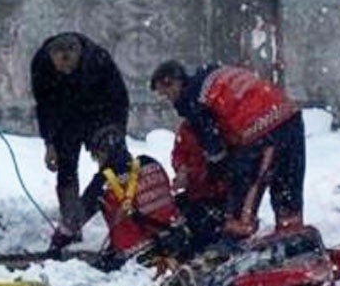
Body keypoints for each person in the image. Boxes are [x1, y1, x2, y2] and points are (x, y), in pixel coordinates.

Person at [149, 60, 306, 240]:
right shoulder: (212, 78)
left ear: (173, 82)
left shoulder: (193, 99)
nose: (170, 100)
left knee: (246, 186)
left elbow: (215, 149)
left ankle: (234, 242)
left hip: (263, 128)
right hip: (288, 113)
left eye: (167, 94)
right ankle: (291, 232)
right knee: (286, 182)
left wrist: (215, 172)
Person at [29, 32, 130, 251]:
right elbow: (44, 106)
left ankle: (121, 222)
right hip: (64, 117)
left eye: (70, 66)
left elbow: (119, 99)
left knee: (116, 167)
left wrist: (114, 134)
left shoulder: (99, 60)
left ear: (79, 54)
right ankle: (71, 224)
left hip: (100, 114)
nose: (65, 71)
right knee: (66, 169)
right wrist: (49, 143)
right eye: (60, 67)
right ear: (51, 57)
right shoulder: (41, 65)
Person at [53, 125, 191, 270]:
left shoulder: (103, 182)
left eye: (96, 156)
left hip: (137, 256)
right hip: (176, 238)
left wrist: (57, 243)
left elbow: (74, 220)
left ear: (103, 153)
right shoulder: (150, 162)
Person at [170, 119, 230, 251]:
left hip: (217, 194)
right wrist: (181, 168)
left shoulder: (217, 127)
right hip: (195, 192)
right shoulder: (186, 128)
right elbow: (177, 154)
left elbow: (215, 168)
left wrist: (190, 174)